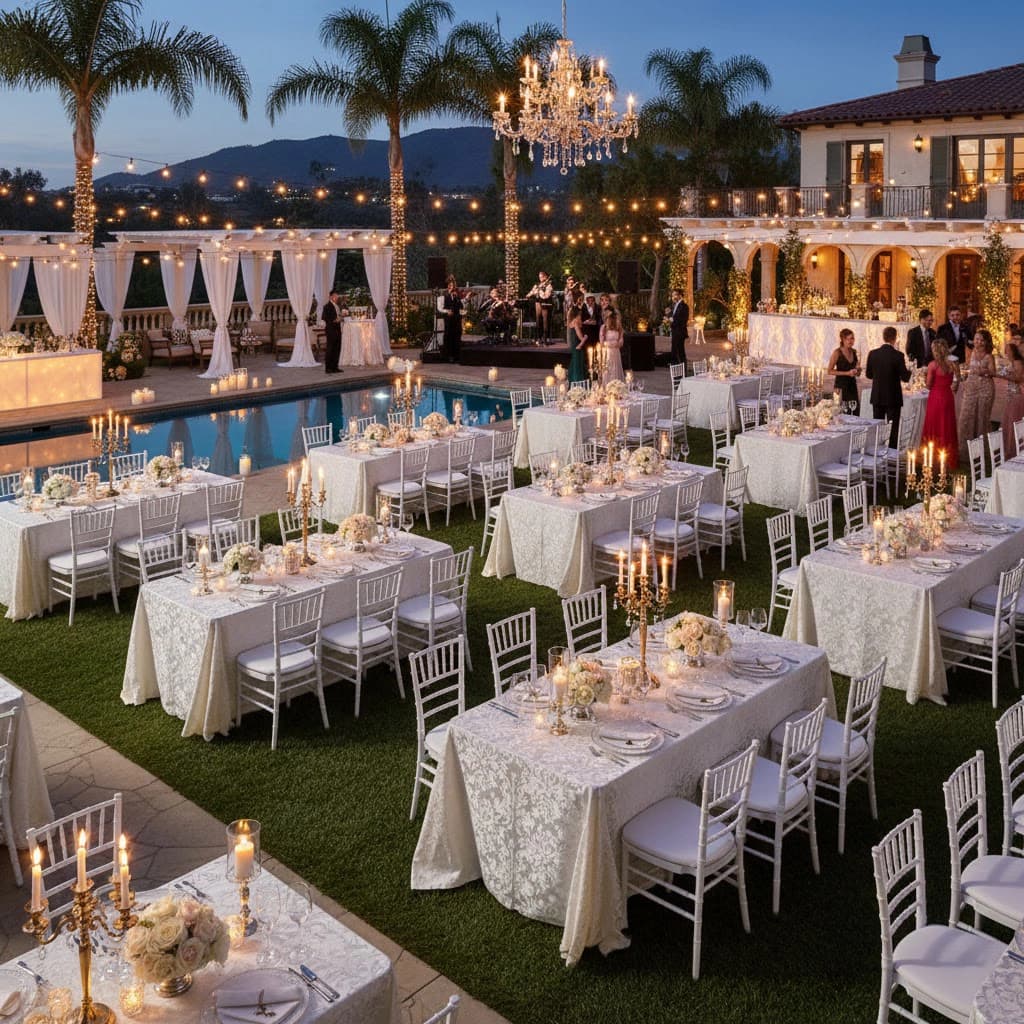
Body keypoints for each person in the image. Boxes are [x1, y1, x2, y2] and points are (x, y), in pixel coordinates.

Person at [866, 325, 911, 448]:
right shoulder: (898, 355)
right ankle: (891, 453)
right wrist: (910, 370)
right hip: (893, 397)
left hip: (878, 395)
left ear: (883, 337)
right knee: (893, 428)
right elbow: (905, 377)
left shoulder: (873, 354)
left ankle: (877, 450)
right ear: (895, 338)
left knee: (878, 426)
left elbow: (869, 375)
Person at [957, 328, 996, 456]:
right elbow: (969, 368)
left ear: (985, 342)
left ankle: (980, 451)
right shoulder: (972, 352)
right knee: (966, 415)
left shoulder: (989, 356)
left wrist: (983, 371)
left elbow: (993, 372)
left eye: (981, 340)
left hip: (985, 388)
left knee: (981, 417)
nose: (978, 342)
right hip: (971, 387)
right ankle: (965, 449)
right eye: (976, 339)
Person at [921, 338, 960, 463]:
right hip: (948, 396)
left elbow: (928, 385)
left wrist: (923, 377)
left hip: (936, 397)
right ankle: (948, 455)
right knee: (947, 425)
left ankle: (933, 455)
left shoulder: (933, 364)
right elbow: (957, 381)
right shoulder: (953, 363)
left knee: (934, 424)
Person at [827, 328, 861, 412]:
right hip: (840, 386)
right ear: (842, 339)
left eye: (852, 338)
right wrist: (847, 373)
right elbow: (830, 371)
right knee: (841, 412)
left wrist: (858, 371)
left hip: (852, 386)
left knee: (854, 411)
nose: (850, 341)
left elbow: (858, 373)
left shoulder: (854, 352)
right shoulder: (837, 352)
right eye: (847, 339)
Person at [1003, 340, 1024, 457]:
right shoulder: (1012, 362)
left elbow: (1018, 378)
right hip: (1011, 394)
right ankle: (1009, 448)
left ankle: (1015, 449)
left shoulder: (1018, 362)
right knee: (1009, 420)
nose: (1006, 352)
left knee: (1015, 421)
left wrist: (999, 375)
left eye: (1008, 350)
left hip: (1017, 394)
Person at [525, 271, 554, 341]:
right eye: (540, 277)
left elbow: (546, 296)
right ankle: (539, 337)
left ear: (546, 277)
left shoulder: (549, 285)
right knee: (538, 320)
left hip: (545, 304)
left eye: (542, 277)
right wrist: (528, 295)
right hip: (538, 303)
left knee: (545, 320)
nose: (541, 278)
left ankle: (545, 337)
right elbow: (532, 291)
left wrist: (540, 291)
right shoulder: (538, 285)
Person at [441, 277, 463, 363]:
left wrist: (458, 299)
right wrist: (446, 311)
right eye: (450, 286)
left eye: (453, 286)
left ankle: (457, 355)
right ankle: (449, 355)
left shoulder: (456, 296)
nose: (452, 287)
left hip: (457, 318)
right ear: (447, 287)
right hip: (449, 319)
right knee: (449, 336)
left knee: (457, 335)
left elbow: (461, 306)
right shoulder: (444, 296)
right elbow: (440, 308)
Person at [322, 289, 343, 374]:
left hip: (338, 330)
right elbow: (325, 318)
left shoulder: (337, 306)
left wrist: (342, 316)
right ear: (331, 297)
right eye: (335, 296)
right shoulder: (327, 306)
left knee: (337, 349)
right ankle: (328, 368)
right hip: (331, 330)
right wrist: (335, 320)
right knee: (330, 349)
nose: (336, 297)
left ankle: (335, 367)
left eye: (337, 295)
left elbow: (338, 316)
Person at [600, 308, 624, 382]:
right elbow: (601, 343)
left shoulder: (618, 326)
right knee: (608, 369)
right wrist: (609, 344)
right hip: (607, 352)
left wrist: (619, 343)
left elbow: (621, 340)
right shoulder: (603, 327)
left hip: (616, 352)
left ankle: (616, 386)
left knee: (616, 369)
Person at [668, 288, 689, 368]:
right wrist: (669, 316)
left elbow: (682, 320)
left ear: (680, 296)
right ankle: (675, 367)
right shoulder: (675, 305)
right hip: (675, 331)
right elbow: (674, 317)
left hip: (680, 332)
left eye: (675, 295)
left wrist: (671, 320)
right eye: (672, 295)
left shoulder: (684, 306)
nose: (673, 297)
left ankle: (683, 368)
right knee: (674, 350)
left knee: (680, 351)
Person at [566, 304, 587, 383]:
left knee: (575, 362)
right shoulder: (575, 322)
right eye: (580, 314)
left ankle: (573, 380)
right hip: (577, 346)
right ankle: (578, 381)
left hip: (574, 345)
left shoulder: (571, 322)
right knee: (578, 363)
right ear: (577, 314)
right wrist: (585, 337)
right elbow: (580, 337)